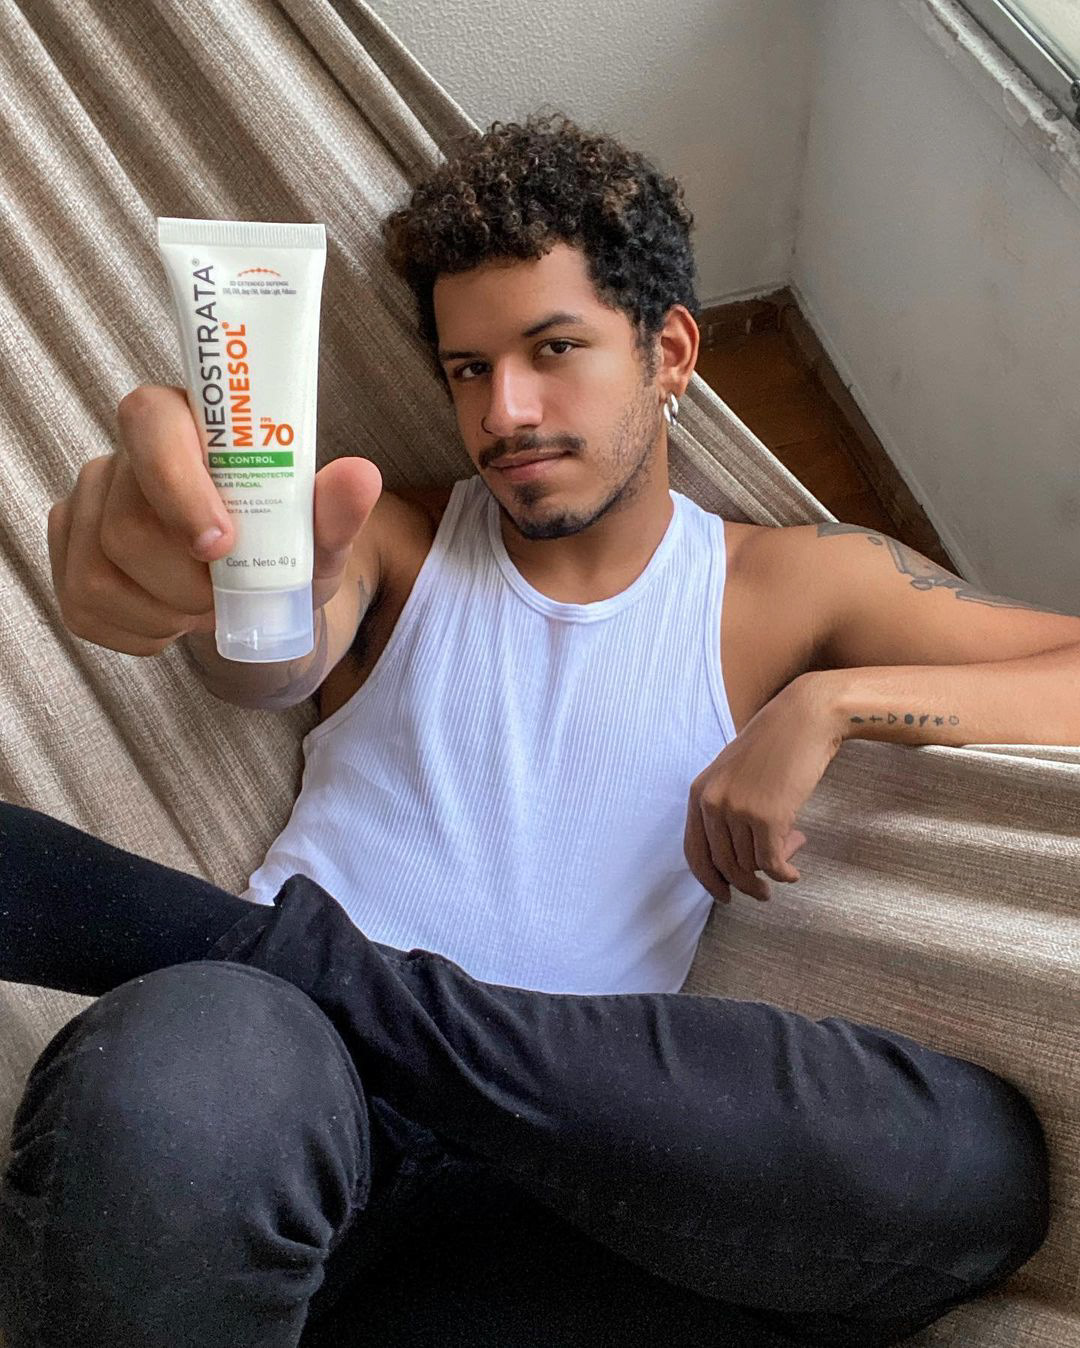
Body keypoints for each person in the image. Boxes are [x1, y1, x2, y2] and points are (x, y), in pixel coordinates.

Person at [1, 109, 1071, 1346]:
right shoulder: (395, 539)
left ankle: (238, 947)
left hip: (561, 1179)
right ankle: (275, 978)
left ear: (671, 352)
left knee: (969, 1164)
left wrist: (831, 700)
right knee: (184, 1058)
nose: (505, 409)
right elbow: (279, 643)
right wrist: (215, 592)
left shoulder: (788, 589)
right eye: (468, 369)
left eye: (554, 348)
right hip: (280, 1105)